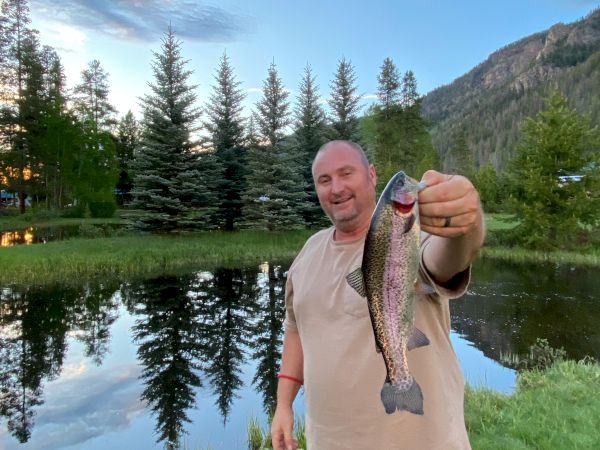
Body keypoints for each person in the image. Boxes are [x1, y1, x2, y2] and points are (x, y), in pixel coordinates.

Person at [271, 140, 485, 450]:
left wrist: (465, 220)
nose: (337, 188)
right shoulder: (308, 252)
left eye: (347, 173)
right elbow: (296, 330)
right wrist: (284, 405)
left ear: (371, 174)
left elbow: (448, 256)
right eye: (324, 180)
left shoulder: (411, 236)